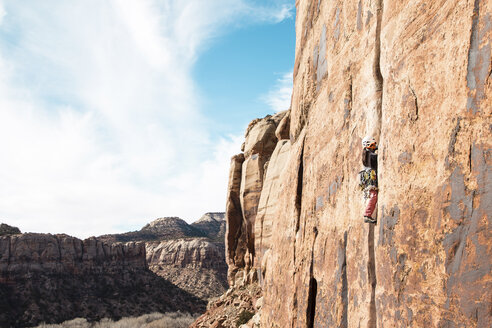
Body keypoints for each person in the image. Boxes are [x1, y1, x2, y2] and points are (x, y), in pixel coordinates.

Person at [360, 136, 378, 224]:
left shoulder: (366, 154)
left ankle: (368, 214)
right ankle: (367, 214)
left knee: (372, 195)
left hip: (367, 179)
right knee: (373, 196)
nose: (375, 146)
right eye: (373, 145)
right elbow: (375, 159)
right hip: (371, 178)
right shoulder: (370, 155)